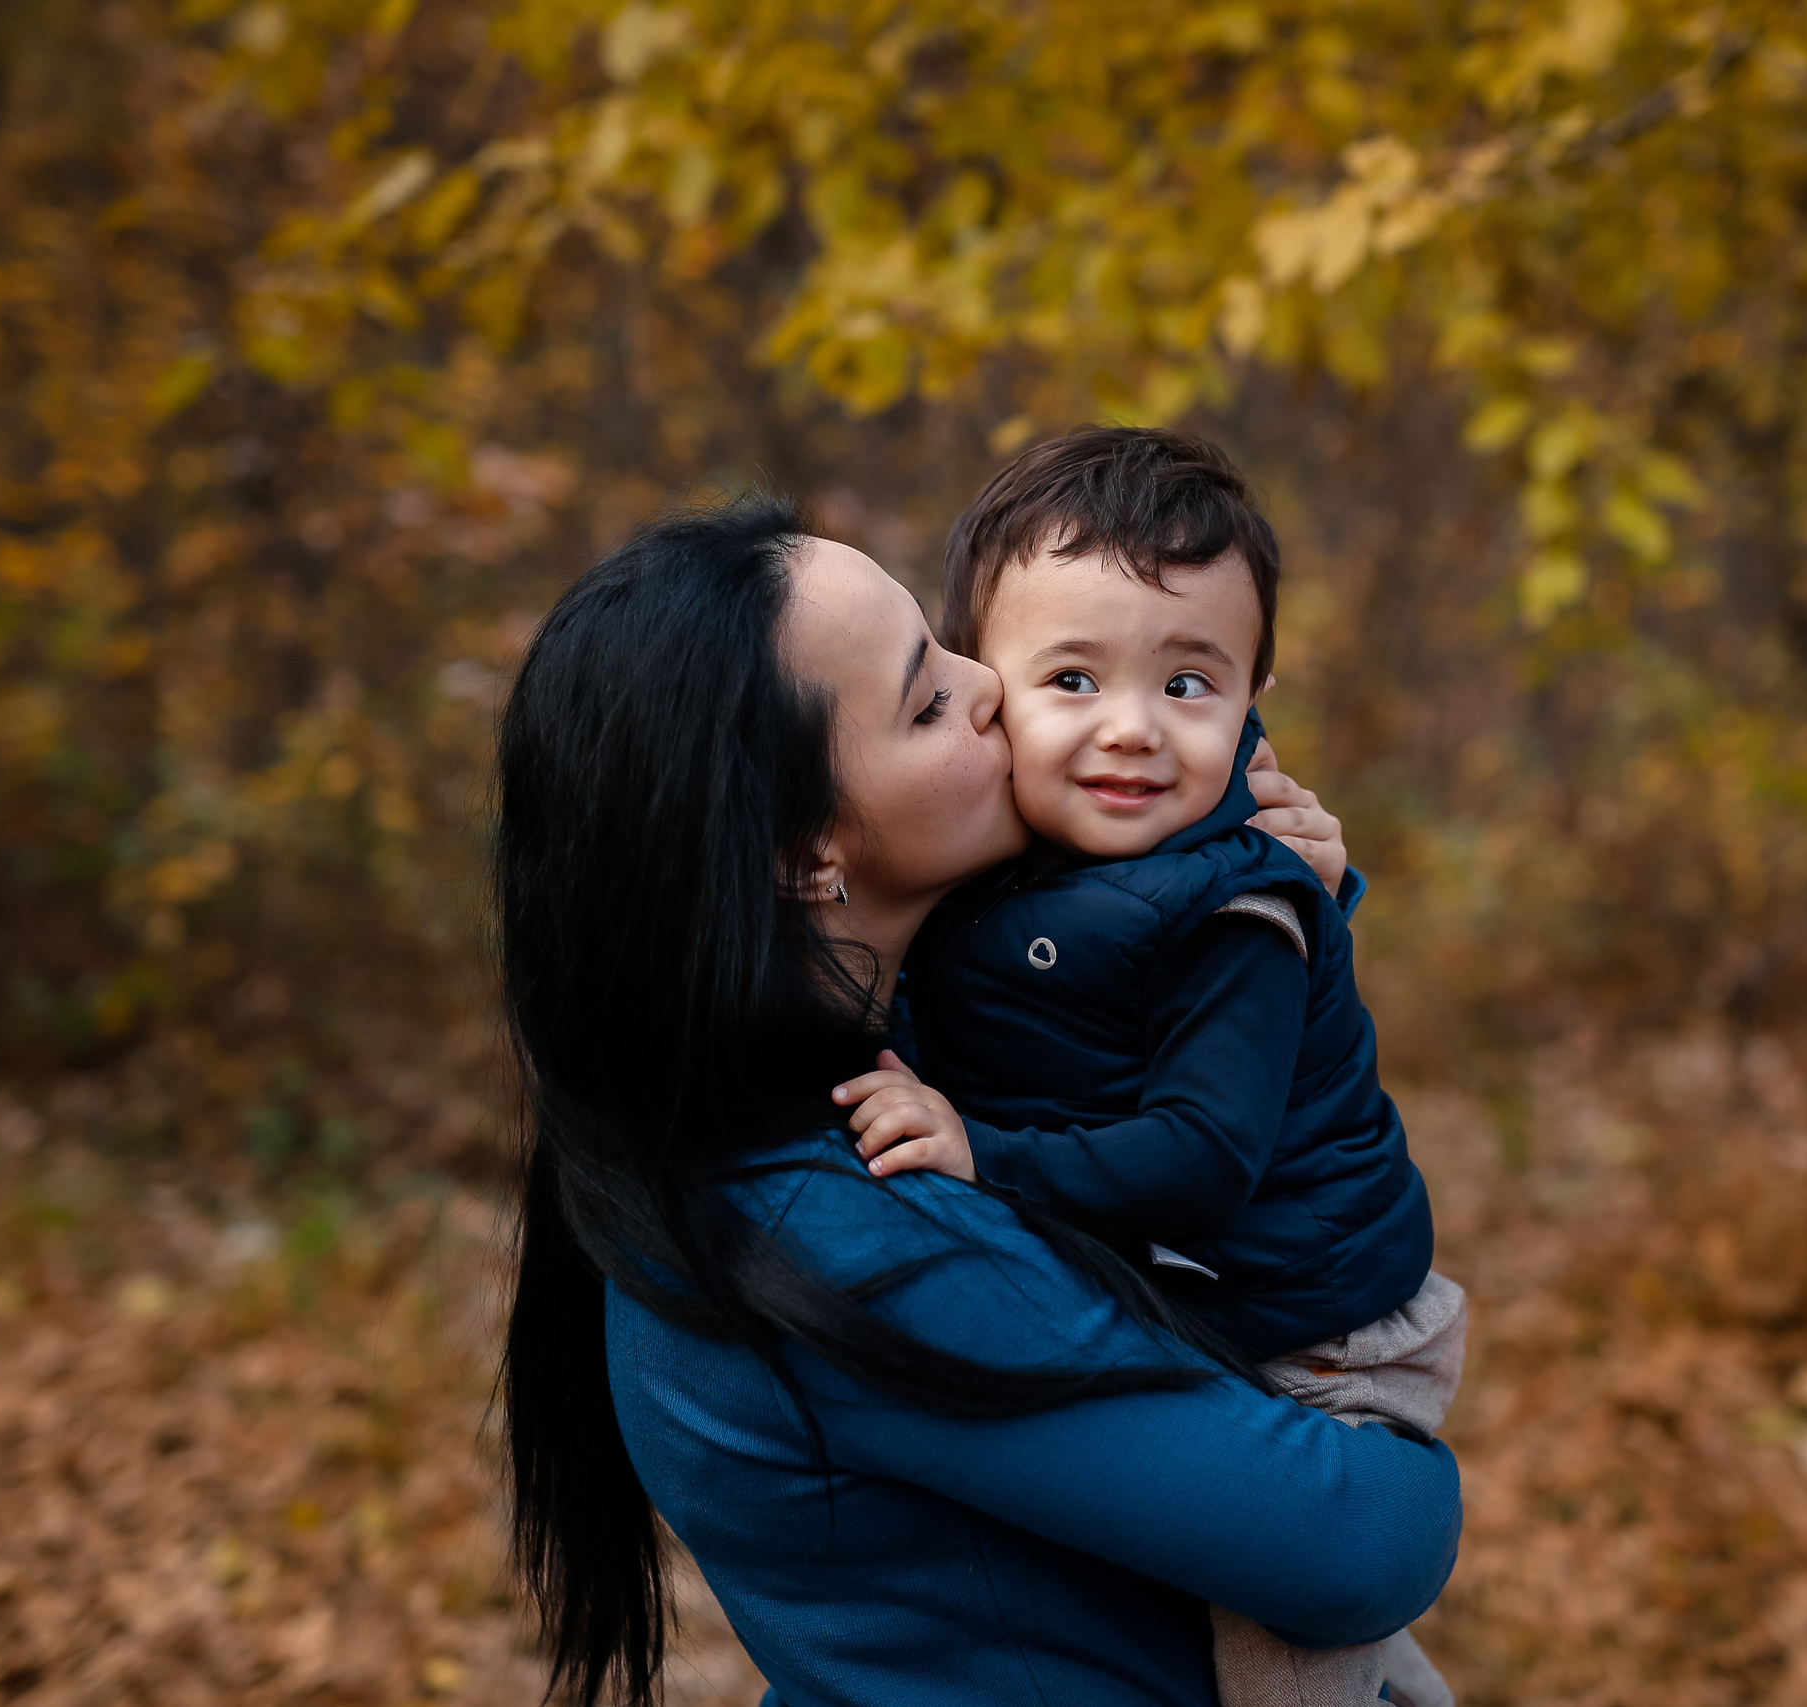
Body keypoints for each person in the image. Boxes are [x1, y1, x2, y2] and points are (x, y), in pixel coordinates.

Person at [494, 495, 1461, 1707]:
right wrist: (1417, 1466)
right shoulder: (848, 1228)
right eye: (927, 698)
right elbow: (1361, 1544)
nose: (994, 685)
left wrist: (1270, 916)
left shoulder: (798, 1106)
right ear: (805, 854)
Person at [824, 428, 1462, 1707]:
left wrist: (975, 1148)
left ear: (1251, 698)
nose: (1131, 731)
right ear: (983, 689)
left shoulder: (1237, 910)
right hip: (1206, 1291)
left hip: (1319, 1341)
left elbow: (1200, 1157)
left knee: (1277, 1665)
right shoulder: (1018, 855)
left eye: (1189, 686)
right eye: (1070, 678)